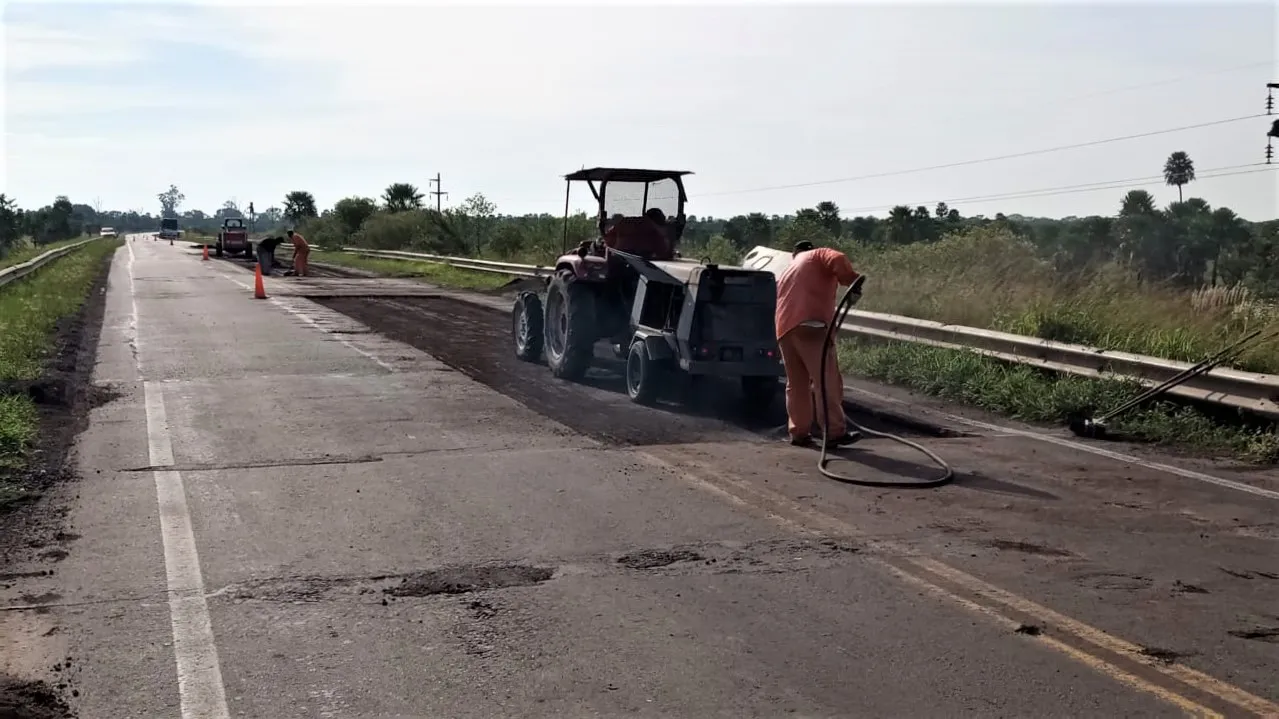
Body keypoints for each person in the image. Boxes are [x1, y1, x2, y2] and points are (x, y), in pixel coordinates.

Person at [774, 240, 862, 448]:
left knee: (797, 385)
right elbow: (837, 258)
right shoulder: (817, 254)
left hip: (785, 330)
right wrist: (851, 280)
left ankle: (799, 433)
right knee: (826, 380)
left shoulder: (789, 269)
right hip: (811, 325)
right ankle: (833, 432)